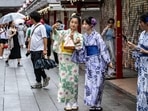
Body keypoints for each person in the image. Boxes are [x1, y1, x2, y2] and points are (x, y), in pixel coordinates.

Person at [52, 13, 83, 111]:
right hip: (63, 60)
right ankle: (67, 102)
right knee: (64, 81)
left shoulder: (80, 36)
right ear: (69, 23)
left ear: (78, 25)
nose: (73, 24)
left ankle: (74, 101)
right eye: (72, 22)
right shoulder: (64, 32)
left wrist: (75, 42)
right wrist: (53, 29)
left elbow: (79, 47)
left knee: (74, 81)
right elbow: (56, 36)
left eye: (76, 23)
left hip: (73, 60)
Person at [82, 16, 113, 111]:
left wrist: (108, 61)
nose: (84, 25)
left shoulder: (97, 36)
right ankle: (92, 103)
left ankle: (97, 104)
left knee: (98, 84)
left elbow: (103, 49)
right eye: (83, 24)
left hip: (98, 62)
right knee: (90, 84)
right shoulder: (84, 36)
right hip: (89, 62)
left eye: (86, 24)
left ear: (91, 25)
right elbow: (83, 49)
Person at [127, 12, 148, 111]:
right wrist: (134, 47)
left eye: (141, 22)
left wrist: (144, 51)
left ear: (146, 23)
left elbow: (142, 50)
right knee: (142, 90)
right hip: (142, 66)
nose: (140, 24)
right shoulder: (142, 34)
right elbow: (139, 48)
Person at [27, 11, 50, 89]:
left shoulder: (41, 27)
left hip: (39, 50)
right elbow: (30, 38)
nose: (30, 19)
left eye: (30, 18)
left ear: (33, 18)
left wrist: (45, 49)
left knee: (37, 66)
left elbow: (45, 38)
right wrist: (28, 48)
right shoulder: (32, 26)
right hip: (33, 50)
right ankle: (43, 79)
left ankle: (39, 81)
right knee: (35, 66)